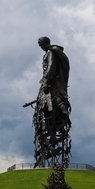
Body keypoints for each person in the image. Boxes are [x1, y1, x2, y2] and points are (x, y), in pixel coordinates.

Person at [30, 36, 71, 167]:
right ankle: (49, 145)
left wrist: (46, 82)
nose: (40, 46)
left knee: (44, 110)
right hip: (55, 86)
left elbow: (51, 67)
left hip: (51, 86)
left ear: (46, 43)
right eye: (39, 44)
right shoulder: (55, 52)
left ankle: (49, 142)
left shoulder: (50, 52)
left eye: (41, 43)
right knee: (49, 113)